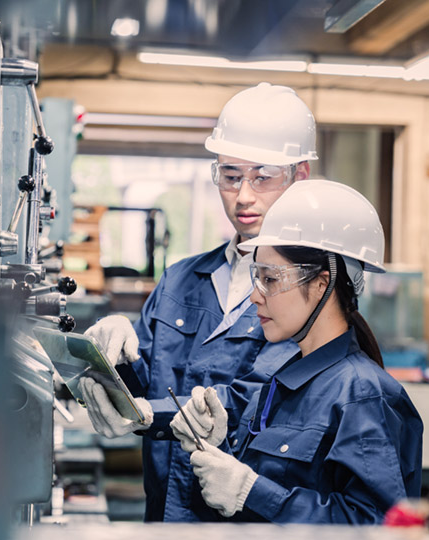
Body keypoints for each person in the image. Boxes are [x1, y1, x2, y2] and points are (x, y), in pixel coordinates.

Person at [77, 82, 318, 521]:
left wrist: (149, 414)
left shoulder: (307, 293)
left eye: (262, 176)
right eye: (230, 176)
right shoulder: (181, 279)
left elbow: (254, 399)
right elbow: (142, 381)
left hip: (243, 525)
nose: (244, 195)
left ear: (299, 176)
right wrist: (108, 358)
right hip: (161, 517)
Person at [170, 180, 423, 523]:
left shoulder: (361, 395)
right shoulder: (284, 383)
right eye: (255, 278)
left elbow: (375, 526)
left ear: (322, 283)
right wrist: (218, 454)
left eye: (270, 279)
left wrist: (251, 490)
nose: (255, 296)